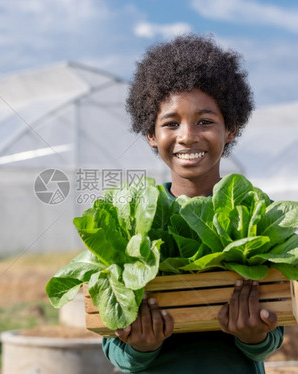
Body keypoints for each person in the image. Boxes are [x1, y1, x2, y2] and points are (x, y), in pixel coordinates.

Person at [102, 34, 284, 373]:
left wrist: (254, 335)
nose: (187, 135)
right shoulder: (129, 215)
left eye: (205, 121)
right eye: (171, 123)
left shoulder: (257, 214)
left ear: (230, 128)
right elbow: (112, 344)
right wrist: (140, 347)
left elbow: (275, 333)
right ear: (151, 135)